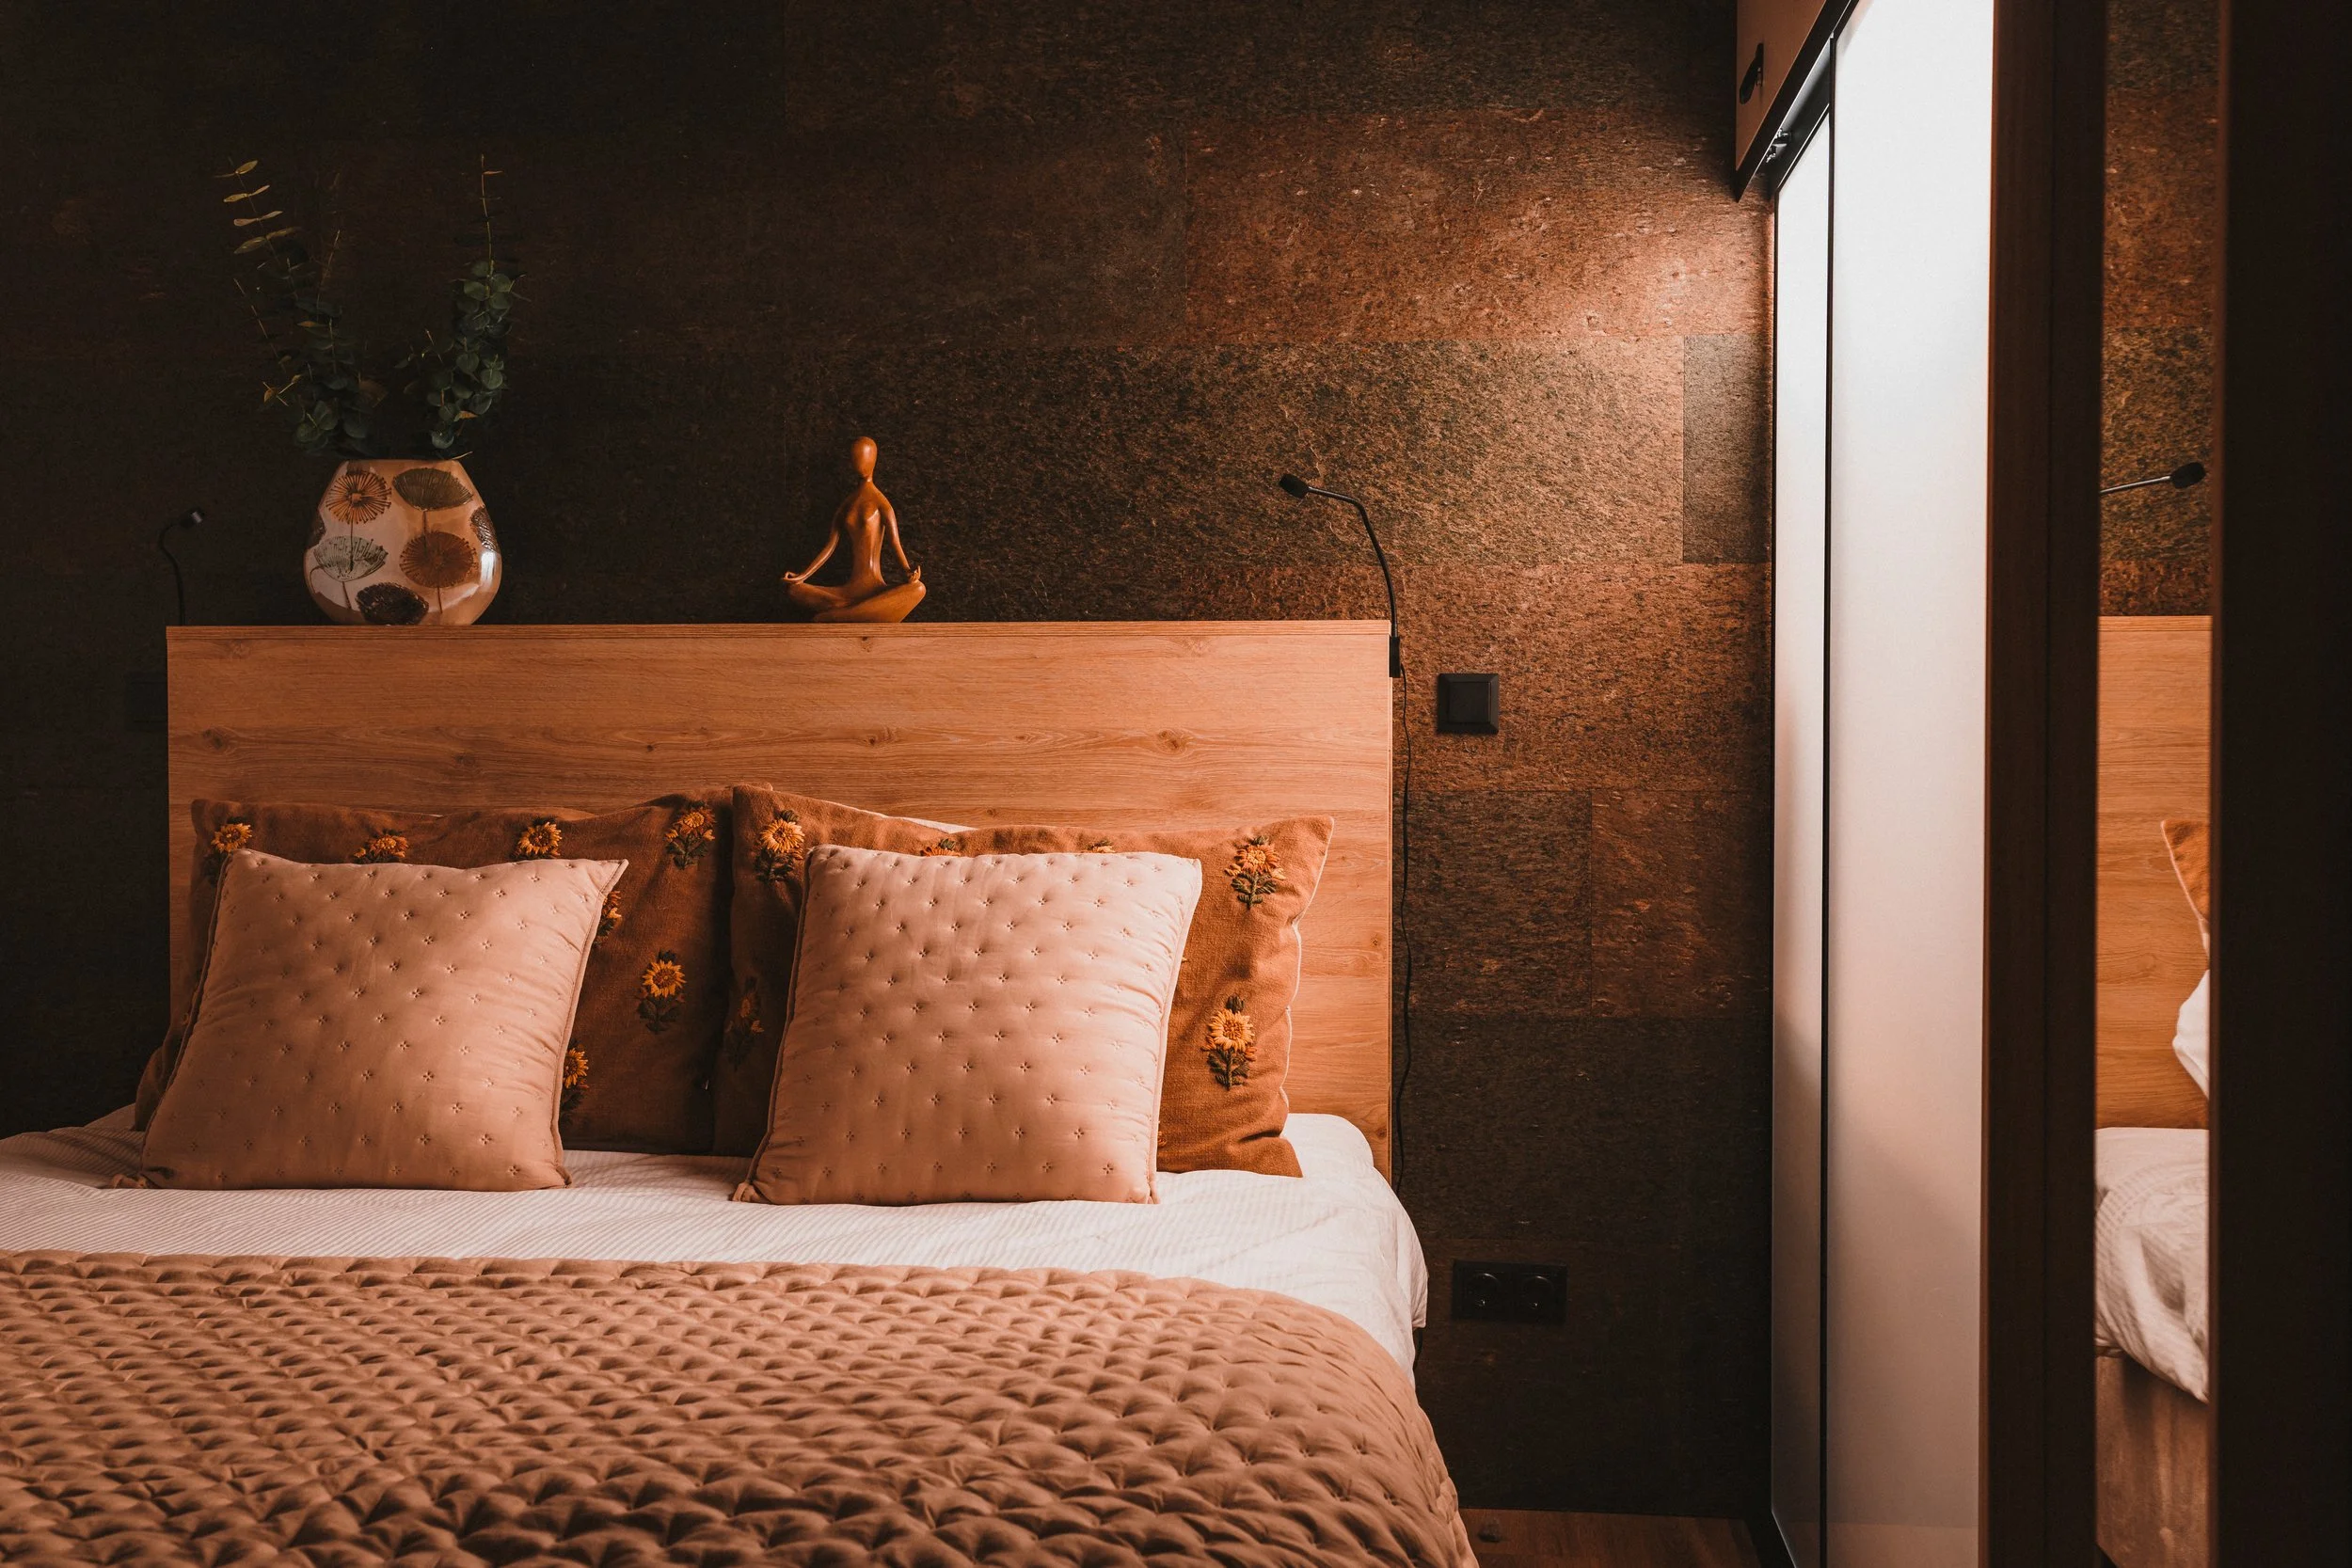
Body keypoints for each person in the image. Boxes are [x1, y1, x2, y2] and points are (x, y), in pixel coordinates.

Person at [781, 436, 926, 622]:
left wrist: (908, 571)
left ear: (873, 460)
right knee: (795, 590)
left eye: (863, 457)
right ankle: (854, 611)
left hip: (875, 590)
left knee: (918, 589)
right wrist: (802, 576)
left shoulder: (882, 503)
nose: (859, 463)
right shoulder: (847, 504)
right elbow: (830, 546)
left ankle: (835, 616)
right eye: (855, 458)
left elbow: (894, 542)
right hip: (847, 593)